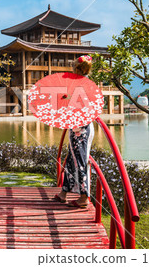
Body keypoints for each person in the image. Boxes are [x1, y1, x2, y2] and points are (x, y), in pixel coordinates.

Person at [54, 55, 94, 208]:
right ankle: (64, 193)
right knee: (72, 159)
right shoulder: (87, 84)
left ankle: (84, 198)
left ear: (76, 68)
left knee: (80, 160)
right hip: (80, 125)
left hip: (80, 128)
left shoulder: (81, 85)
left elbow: (78, 107)